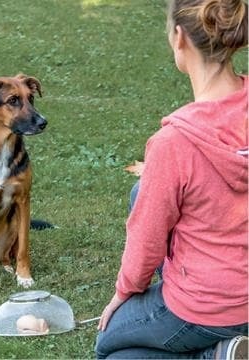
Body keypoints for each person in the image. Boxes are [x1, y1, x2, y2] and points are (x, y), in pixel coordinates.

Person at [95, 0, 248, 358]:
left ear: (179, 38)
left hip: (209, 307)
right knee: (141, 191)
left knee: (109, 346)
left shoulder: (174, 143)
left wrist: (123, 293)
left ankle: (218, 353)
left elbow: (147, 238)